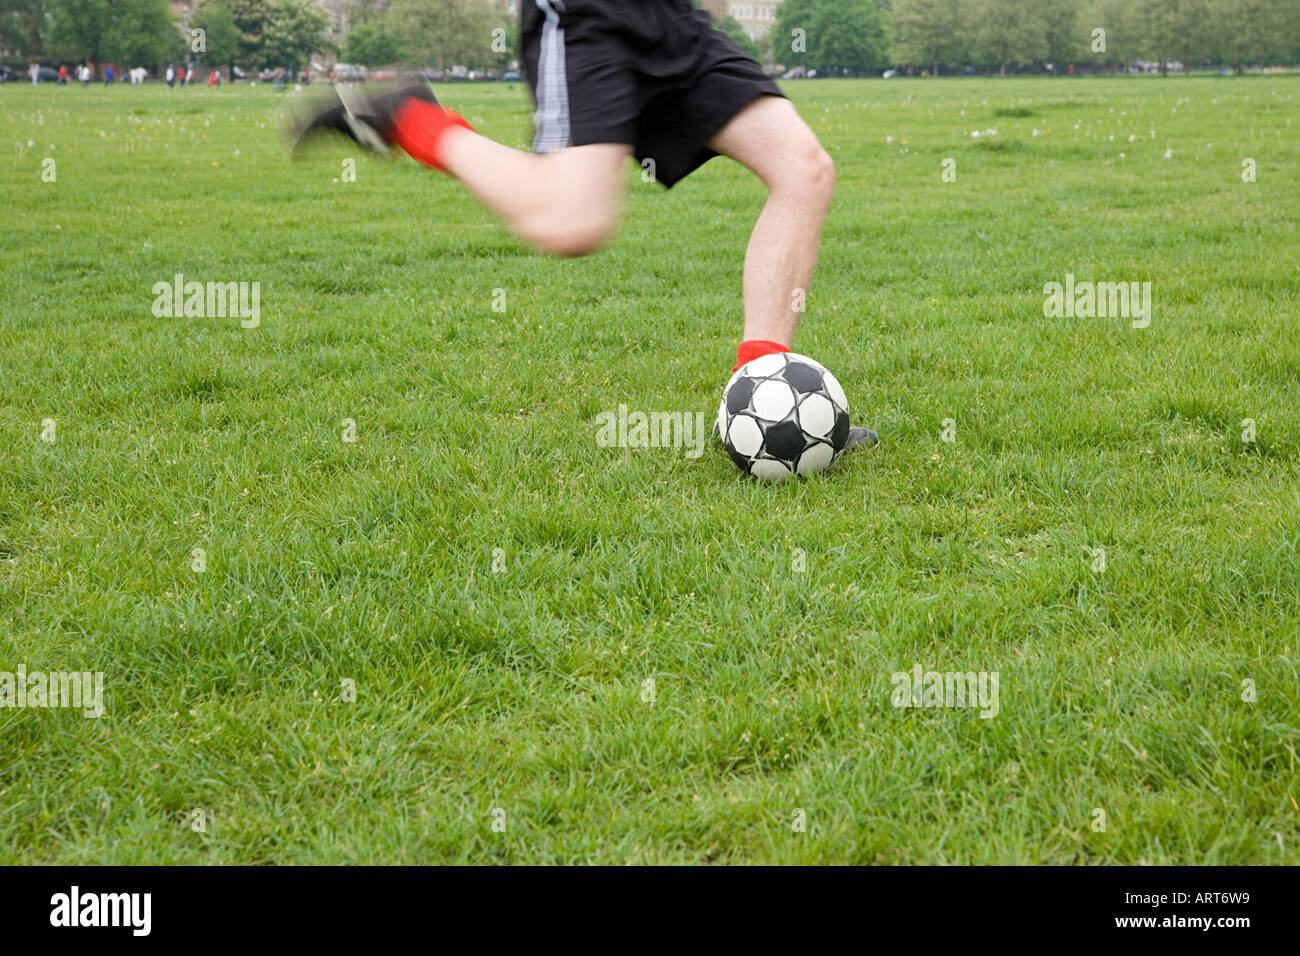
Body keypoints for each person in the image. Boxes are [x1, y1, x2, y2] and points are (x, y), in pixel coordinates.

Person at [288, 0, 877, 450]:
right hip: (587, 19)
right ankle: (410, 117)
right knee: (571, 224)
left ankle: (764, 397)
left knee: (803, 169)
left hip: (669, 17)